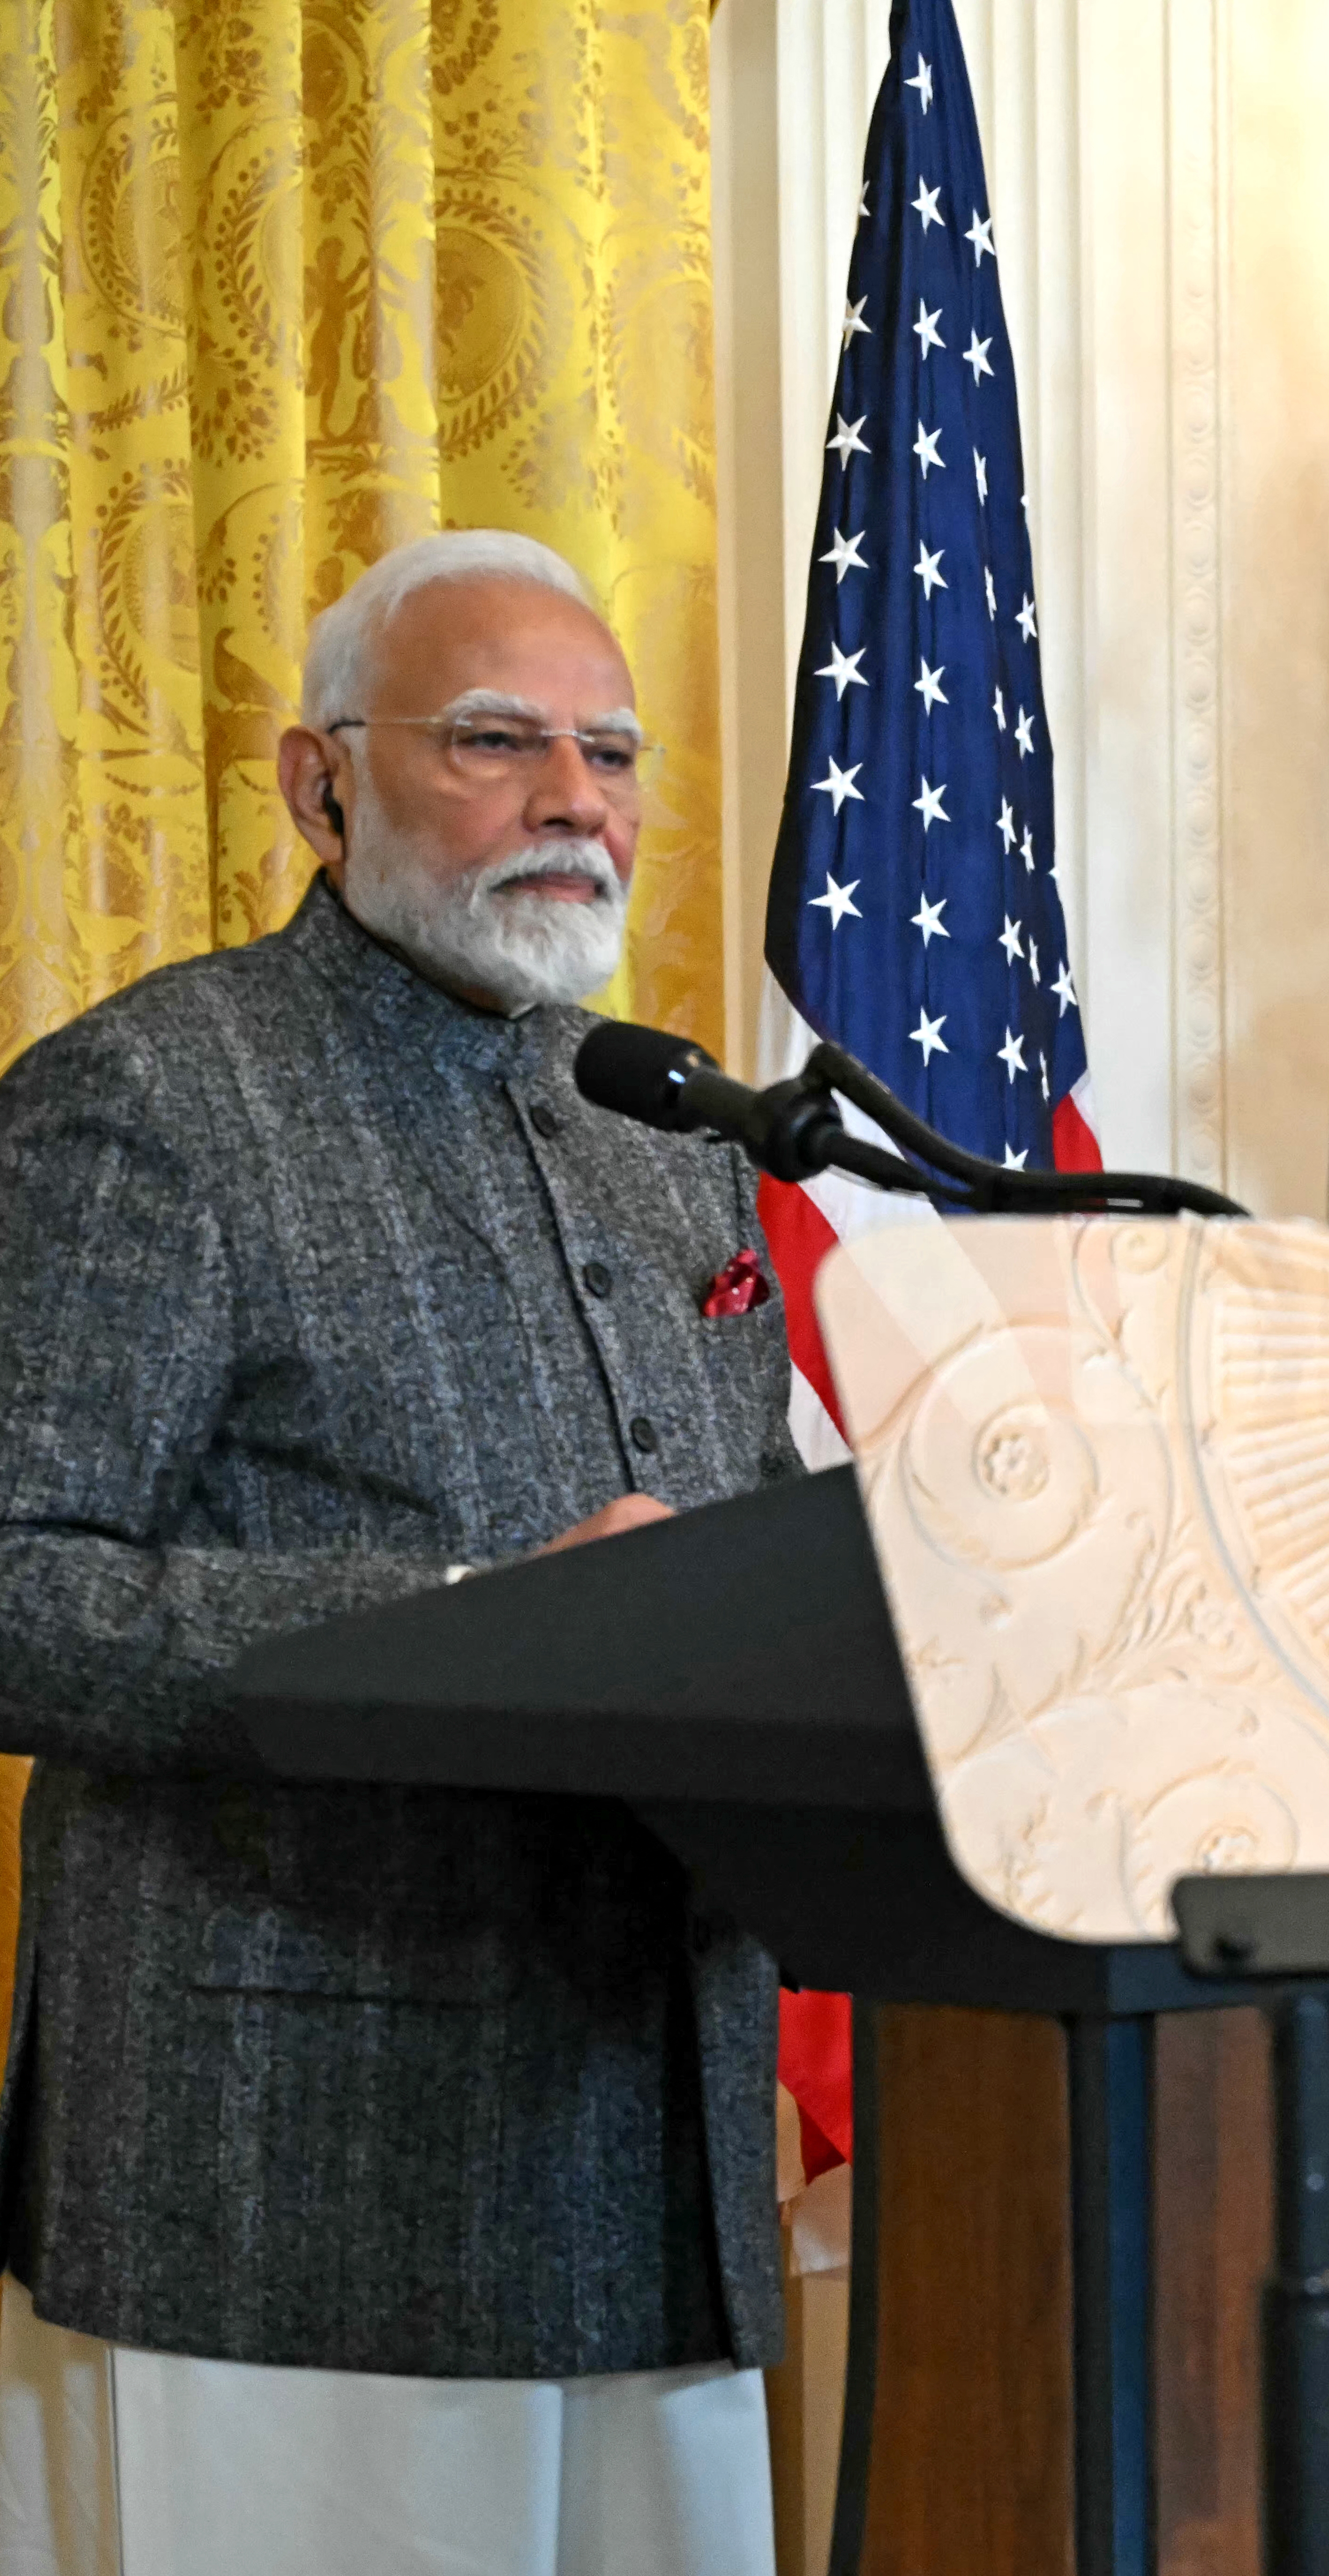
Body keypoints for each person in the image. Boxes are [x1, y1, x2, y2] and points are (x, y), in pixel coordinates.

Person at [0, 530, 795, 2575]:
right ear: (319, 779)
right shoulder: (150, 1101)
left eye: (608, 752)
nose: (572, 798)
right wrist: (474, 1629)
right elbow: (18, 1586)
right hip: (285, 2188)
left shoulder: (675, 1142)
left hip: (656, 2159)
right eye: (494, 740)